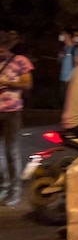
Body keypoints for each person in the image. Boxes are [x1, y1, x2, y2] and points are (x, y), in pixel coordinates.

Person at [0, 31, 34, 206]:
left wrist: (8, 83)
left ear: (7, 46)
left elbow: (27, 83)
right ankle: (4, 188)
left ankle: (15, 191)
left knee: (11, 152)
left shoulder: (20, 61)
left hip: (12, 111)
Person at [58, 27, 78, 105]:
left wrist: (74, 79)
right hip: (63, 78)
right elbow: (60, 62)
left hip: (71, 79)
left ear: (68, 36)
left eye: (64, 35)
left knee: (71, 101)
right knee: (63, 100)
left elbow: (77, 64)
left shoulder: (75, 49)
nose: (62, 38)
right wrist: (60, 57)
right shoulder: (64, 48)